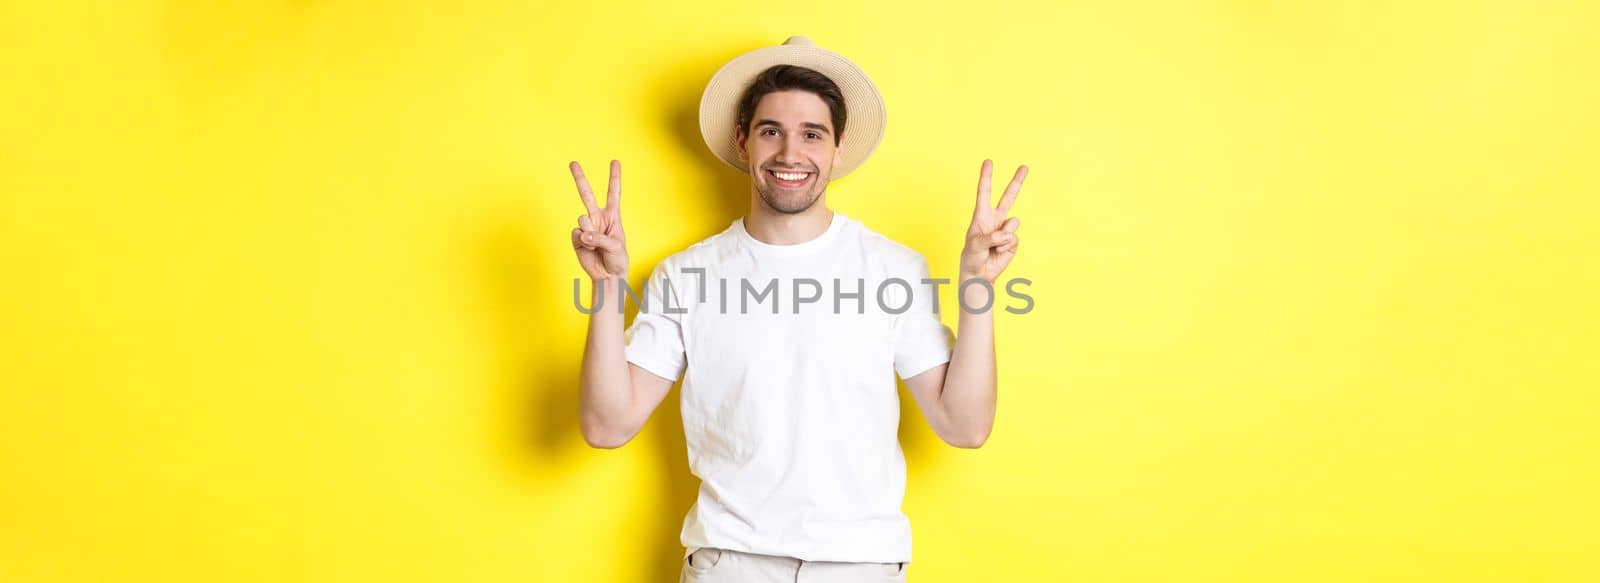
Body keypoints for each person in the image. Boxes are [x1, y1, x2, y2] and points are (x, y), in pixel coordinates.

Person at [567, 36, 1025, 582]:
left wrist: (976, 284)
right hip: (729, 564)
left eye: (812, 134)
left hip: (860, 565)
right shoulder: (685, 276)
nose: (790, 154)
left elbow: (965, 425)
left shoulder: (893, 270)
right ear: (743, 142)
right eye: (771, 132)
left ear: (837, 147)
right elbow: (606, 425)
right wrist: (607, 287)